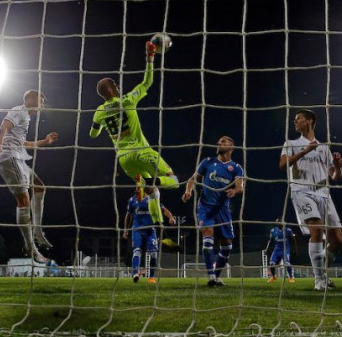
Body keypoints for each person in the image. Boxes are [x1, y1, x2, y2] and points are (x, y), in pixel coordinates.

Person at [90, 40, 178, 227]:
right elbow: (148, 82)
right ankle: (149, 181)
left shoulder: (99, 112)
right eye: (114, 83)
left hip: (124, 159)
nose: (117, 85)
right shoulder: (128, 100)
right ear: (109, 89)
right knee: (174, 180)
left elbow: (93, 135)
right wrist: (150, 58)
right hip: (142, 151)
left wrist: (101, 126)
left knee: (151, 192)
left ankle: (158, 225)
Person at [0, 90, 58, 265]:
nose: (42, 106)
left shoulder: (25, 117)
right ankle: (31, 246)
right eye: (40, 102)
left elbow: (22, 142)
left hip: (18, 157)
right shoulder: (18, 111)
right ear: (29, 99)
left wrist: (44, 141)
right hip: (9, 157)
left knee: (39, 187)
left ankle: (36, 230)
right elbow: (3, 127)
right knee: (23, 201)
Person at [279, 109, 342, 291]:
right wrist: (305, 151)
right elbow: (283, 165)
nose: (295, 122)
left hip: (324, 194)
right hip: (301, 192)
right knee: (316, 229)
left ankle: (322, 272)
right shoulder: (291, 143)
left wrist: (338, 167)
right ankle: (319, 280)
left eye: (297, 119)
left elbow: (335, 176)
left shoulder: (324, 148)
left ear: (308, 121)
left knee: (338, 240)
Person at [182, 136, 244, 287]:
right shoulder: (207, 162)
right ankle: (210, 275)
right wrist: (188, 191)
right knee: (207, 240)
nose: (219, 143)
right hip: (205, 207)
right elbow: (192, 179)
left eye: (223, 142)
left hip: (223, 209)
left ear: (231, 147)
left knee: (227, 246)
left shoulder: (236, 167)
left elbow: (240, 187)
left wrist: (234, 191)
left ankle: (216, 276)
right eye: (219, 141)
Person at [124, 183, 176, 283]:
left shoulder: (152, 199)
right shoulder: (132, 200)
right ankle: (135, 273)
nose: (137, 192)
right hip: (137, 230)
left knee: (153, 254)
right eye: (137, 190)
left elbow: (164, 209)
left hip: (150, 230)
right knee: (137, 250)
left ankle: (151, 277)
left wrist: (171, 218)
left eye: (139, 190)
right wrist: (126, 230)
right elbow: (128, 216)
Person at [263, 217, 298, 283]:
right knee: (271, 263)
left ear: (283, 223)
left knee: (287, 263)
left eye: (280, 222)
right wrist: (267, 249)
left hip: (285, 250)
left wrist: (295, 249)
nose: (278, 223)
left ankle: (291, 277)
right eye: (277, 222)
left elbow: (293, 239)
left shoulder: (288, 230)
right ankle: (273, 276)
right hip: (276, 251)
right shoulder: (273, 231)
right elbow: (270, 240)